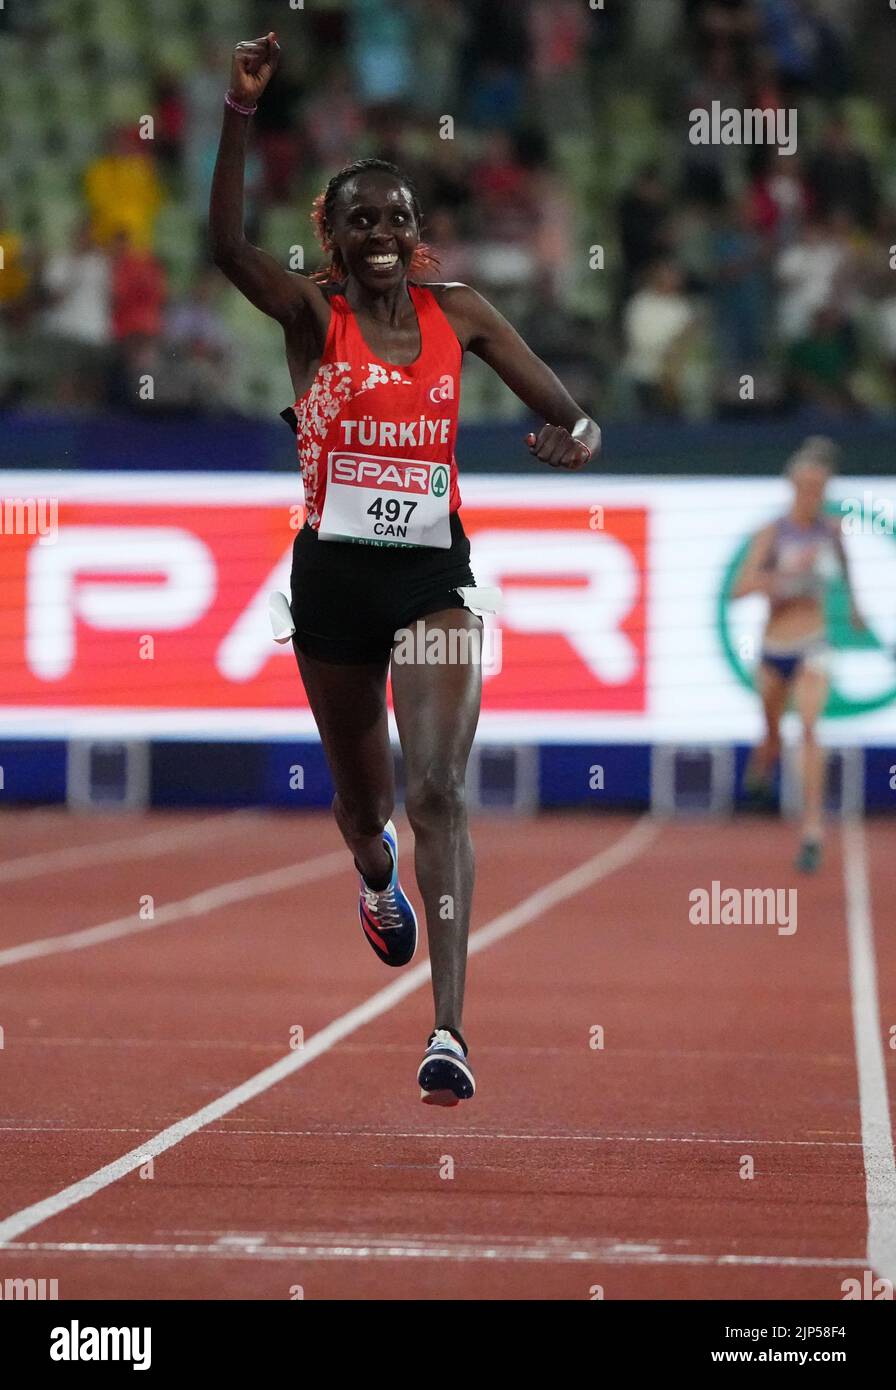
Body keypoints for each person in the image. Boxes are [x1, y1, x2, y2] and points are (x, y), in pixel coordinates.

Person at [209, 33, 600, 1104]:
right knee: (362, 807)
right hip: (332, 579)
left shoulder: (459, 314)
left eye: (396, 218)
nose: (380, 232)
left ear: (417, 236)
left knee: (438, 787)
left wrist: (579, 436)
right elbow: (225, 244)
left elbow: (568, 412)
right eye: (359, 219)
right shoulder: (311, 316)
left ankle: (448, 1031)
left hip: (432, 578)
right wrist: (240, 112)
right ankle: (373, 880)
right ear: (330, 237)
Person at [732, 437, 864, 872]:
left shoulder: (830, 531)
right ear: (792, 486)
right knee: (772, 732)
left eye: (819, 488)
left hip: (814, 643)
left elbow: (846, 571)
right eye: (805, 486)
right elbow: (740, 589)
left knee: (808, 727)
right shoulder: (773, 533)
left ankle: (811, 831)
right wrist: (780, 578)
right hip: (774, 647)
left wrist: (858, 611)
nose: (812, 495)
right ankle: (764, 759)